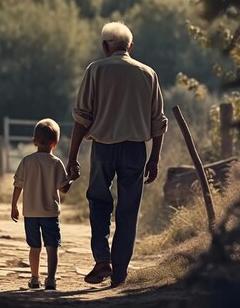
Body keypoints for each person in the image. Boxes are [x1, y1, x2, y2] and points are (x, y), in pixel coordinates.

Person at [66, 21, 168, 288]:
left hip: (103, 148)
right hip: (136, 150)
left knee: (99, 202)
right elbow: (158, 122)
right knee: (128, 209)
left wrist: (72, 156)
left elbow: (82, 117)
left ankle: (103, 259)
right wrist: (154, 158)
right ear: (130, 46)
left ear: (104, 46)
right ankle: (119, 274)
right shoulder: (148, 74)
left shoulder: (96, 70)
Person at [11, 118, 77, 290]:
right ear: (54, 143)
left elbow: (18, 184)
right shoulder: (56, 163)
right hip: (50, 213)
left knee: (34, 247)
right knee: (52, 248)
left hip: (31, 213)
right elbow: (63, 189)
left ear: (34, 141)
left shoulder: (27, 161)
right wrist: (71, 178)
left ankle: (34, 278)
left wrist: (14, 206)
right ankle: (51, 280)